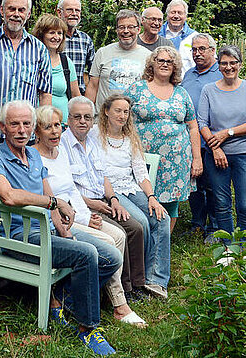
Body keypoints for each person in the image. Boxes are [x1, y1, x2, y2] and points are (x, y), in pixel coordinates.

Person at [0, 100, 121, 355]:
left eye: (26, 124)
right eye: (14, 124)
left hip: (48, 230)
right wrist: (53, 203)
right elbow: (9, 196)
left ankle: (62, 299)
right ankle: (88, 328)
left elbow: (49, 197)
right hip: (19, 236)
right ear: (2, 127)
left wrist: (64, 229)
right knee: (86, 254)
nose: (21, 130)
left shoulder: (33, 155)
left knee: (111, 256)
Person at [34, 105, 147, 327]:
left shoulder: (60, 153)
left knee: (119, 235)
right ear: (37, 131)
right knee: (108, 242)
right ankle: (119, 305)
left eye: (57, 125)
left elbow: (72, 190)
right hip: (59, 220)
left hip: (77, 214)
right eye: (47, 127)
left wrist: (87, 217)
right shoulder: (35, 158)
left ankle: (87, 294)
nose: (55, 131)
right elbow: (51, 200)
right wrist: (83, 219)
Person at [61, 96, 147, 302]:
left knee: (135, 228)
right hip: (84, 206)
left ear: (93, 120)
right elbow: (66, 188)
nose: (83, 121)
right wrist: (91, 204)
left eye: (87, 117)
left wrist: (114, 199)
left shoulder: (92, 141)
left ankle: (137, 284)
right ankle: (123, 290)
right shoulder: (63, 144)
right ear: (69, 119)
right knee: (121, 234)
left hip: (104, 200)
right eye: (77, 117)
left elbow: (104, 177)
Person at [92, 93, 172, 299]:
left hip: (130, 187)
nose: (122, 115)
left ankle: (156, 279)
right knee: (141, 222)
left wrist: (152, 197)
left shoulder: (130, 138)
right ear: (106, 111)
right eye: (118, 111)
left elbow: (140, 172)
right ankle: (140, 277)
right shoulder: (94, 134)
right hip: (109, 191)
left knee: (161, 217)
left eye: (126, 112)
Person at [125, 46, 202, 233]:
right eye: (160, 60)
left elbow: (193, 126)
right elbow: (121, 116)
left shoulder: (181, 93)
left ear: (175, 67)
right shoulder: (136, 89)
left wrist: (197, 158)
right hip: (144, 157)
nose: (165, 64)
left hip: (176, 159)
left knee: (171, 202)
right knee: (143, 197)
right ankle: (145, 239)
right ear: (152, 63)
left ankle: (164, 240)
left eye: (169, 61)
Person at [198, 45, 246, 244]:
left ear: (240, 65)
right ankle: (228, 248)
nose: (228, 67)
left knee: (245, 206)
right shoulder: (209, 90)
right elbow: (202, 123)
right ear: (218, 66)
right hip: (217, 156)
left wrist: (227, 133)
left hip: (245, 153)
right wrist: (216, 149)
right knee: (221, 203)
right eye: (224, 63)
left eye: (233, 62)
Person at [0, 0, 52, 146]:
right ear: (2, 10)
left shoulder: (39, 49)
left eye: (21, 10)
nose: (16, 14)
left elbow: (45, 94)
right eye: (11, 9)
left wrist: (41, 131)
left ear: (28, 14)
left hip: (27, 136)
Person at [181, 33, 223, 243]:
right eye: (194, 49)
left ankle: (215, 227)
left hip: (213, 139)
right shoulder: (189, 74)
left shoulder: (220, 73)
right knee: (194, 186)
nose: (197, 53)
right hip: (191, 139)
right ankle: (197, 223)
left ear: (213, 50)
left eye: (202, 49)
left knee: (213, 186)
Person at [85, 9, 151, 111]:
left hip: (135, 117)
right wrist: (87, 113)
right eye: (121, 27)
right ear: (116, 30)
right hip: (104, 116)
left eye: (131, 27)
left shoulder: (148, 56)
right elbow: (93, 86)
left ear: (138, 29)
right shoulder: (102, 53)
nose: (126, 31)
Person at [32, 14, 81, 124]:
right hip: (35, 124)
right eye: (52, 32)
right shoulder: (31, 60)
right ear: (41, 35)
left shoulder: (65, 62)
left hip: (62, 125)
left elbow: (75, 95)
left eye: (59, 33)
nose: (56, 37)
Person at [56, 0, 95, 94]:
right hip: (56, 95)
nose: (74, 14)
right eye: (69, 10)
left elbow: (93, 73)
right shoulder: (53, 38)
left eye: (77, 11)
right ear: (59, 13)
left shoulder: (85, 40)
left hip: (78, 95)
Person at [160, 0, 199, 71]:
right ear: (167, 15)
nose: (176, 16)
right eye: (173, 12)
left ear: (185, 16)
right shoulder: (157, 34)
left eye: (180, 13)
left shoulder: (195, 37)